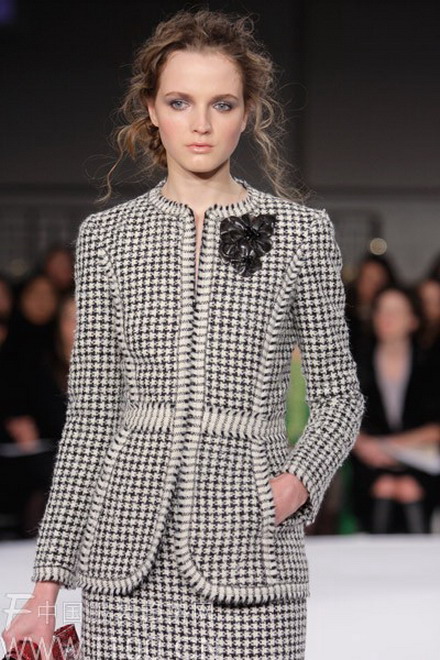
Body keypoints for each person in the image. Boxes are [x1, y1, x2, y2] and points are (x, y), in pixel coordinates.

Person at [2, 8, 365, 659]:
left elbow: (340, 398)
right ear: (150, 109)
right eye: (179, 102)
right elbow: (91, 418)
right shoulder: (107, 238)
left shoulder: (300, 234)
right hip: (123, 562)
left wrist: (295, 485)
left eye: (221, 103)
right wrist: (45, 591)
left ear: (247, 113)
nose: (201, 124)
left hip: (251, 553)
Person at [349, 285, 440, 534]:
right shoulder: (355, 364)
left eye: (395, 311)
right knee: (383, 487)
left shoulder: (430, 365)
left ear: (413, 320)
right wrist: (365, 445)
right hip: (369, 461)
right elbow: (339, 417)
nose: (386, 318)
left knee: (410, 488)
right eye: (381, 311)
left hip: (420, 460)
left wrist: (391, 446)